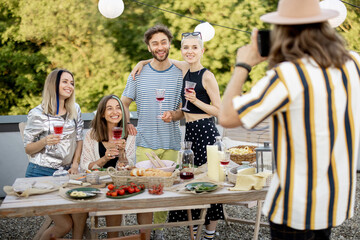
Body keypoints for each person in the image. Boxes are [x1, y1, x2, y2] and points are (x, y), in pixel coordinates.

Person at [219, 0, 360, 239]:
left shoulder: (288, 76)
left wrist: (243, 64)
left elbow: (226, 116)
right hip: (332, 202)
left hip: (295, 207)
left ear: (284, 32)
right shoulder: (353, 64)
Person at [132, 32, 223, 240]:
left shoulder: (207, 76)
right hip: (190, 132)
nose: (190, 51)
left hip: (206, 131)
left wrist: (195, 101)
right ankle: (194, 233)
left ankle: (208, 234)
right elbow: (161, 57)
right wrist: (142, 61)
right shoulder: (183, 70)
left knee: (211, 181)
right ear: (181, 51)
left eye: (194, 47)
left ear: (202, 50)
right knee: (190, 183)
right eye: (186, 48)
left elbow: (219, 110)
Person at [121, 24, 183, 240]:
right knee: (147, 192)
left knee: (163, 192)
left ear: (169, 44)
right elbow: (124, 102)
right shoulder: (138, 73)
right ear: (149, 47)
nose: (160, 47)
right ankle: (144, 234)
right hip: (145, 141)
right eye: (155, 43)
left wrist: (174, 115)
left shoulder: (180, 73)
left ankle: (159, 233)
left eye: (163, 42)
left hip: (171, 142)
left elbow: (184, 110)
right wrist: (128, 123)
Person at [23, 68, 87, 239]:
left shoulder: (75, 109)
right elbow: (28, 148)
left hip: (67, 173)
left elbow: (80, 139)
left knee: (81, 210)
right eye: (65, 81)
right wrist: (44, 141)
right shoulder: (37, 113)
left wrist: (75, 164)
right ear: (53, 84)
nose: (70, 86)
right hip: (41, 174)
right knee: (65, 225)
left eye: (72, 83)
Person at [80, 94, 152, 239]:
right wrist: (105, 158)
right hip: (100, 184)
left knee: (146, 202)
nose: (115, 112)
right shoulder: (92, 135)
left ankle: (146, 237)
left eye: (118, 108)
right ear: (102, 113)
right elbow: (85, 166)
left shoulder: (129, 135)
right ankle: (112, 236)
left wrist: (122, 154)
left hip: (122, 182)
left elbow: (129, 164)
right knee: (113, 202)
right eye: (109, 108)